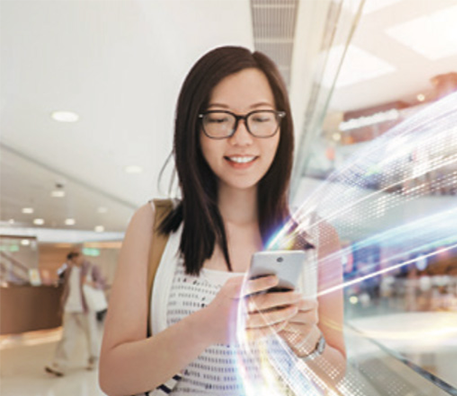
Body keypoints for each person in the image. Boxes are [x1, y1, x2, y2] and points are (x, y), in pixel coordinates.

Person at [99, 46, 346, 396]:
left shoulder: (318, 236)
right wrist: (204, 328)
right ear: (193, 127)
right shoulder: (153, 225)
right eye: (219, 119)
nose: (241, 138)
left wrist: (305, 336)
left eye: (260, 118)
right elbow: (113, 378)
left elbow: (333, 376)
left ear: (280, 126)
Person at [45, 249, 106, 376]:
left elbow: (101, 283)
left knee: (91, 335)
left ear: (82, 255)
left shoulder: (91, 268)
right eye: (72, 256)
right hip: (70, 307)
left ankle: (94, 360)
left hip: (85, 308)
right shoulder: (68, 270)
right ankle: (60, 365)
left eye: (77, 255)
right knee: (67, 337)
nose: (75, 258)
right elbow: (64, 285)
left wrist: (89, 283)